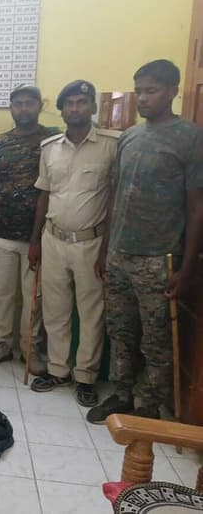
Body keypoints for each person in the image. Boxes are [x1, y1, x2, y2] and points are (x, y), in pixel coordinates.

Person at [87, 60, 203, 424]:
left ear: (173, 91)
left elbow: (196, 207)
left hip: (159, 257)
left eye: (151, 90)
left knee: (155, 337)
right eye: (139, 91)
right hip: (119, 253)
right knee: (120, 330)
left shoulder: (190, 138)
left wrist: (187, 267)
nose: (143, 98)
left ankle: (149, 404)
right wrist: (105, 248)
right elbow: (116, 195)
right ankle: (121, 394)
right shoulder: (130, 137)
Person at [29, 80, 116, 407]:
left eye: (82, 102)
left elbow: (115, 200)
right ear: (62, 110)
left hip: (91, 242)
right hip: (53, 238)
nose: (75, 108)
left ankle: (86, 377)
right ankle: (58, 370)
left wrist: (106, 249)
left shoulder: (110, 146)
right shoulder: (49, 148)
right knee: (55, 309)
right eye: (70, 103)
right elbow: (43, 196)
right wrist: (35, 240)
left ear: (92, 107)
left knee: (91, 313)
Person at [0, 85, 58, 375]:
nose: (23, 108)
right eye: (18, 103)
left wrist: (38, 237)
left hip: (38, 235)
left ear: (39, 106)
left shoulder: (52, 140)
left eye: (29, 103)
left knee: (33, 297)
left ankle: (29, 349)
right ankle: (2, 344)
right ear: (11, 107)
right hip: (0, 231)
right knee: (2, 294)